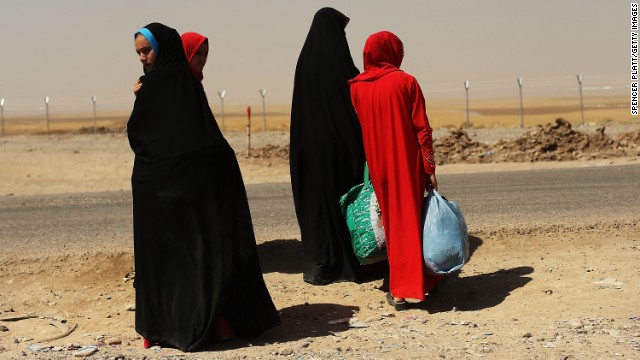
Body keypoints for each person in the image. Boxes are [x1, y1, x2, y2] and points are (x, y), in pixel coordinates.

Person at [128, 22, 280, 351]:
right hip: (170, 189)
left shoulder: (159, 88)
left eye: (147, 50)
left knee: (180, 257)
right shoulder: (178, 85)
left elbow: (143, 137)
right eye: (139, 52)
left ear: (162, 49)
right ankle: (206, 322)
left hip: (167, 189)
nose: (142, 57)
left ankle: (170, 325)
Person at [348, 31, 445, 310]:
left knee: (391, 223)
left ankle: (403, 286)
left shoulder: (356, 88)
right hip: (406, 163)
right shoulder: (406, 82)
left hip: (379, 165)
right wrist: (429, 167)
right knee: (411, 222)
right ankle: (408, 287)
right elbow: (422, 130)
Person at [290, 7, 373, 285]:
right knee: (345, 201)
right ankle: (350, 264)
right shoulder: (342, 65)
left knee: (318, 205)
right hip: (342, 148)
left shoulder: (304, 64)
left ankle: (319, 266)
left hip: (310, 149)